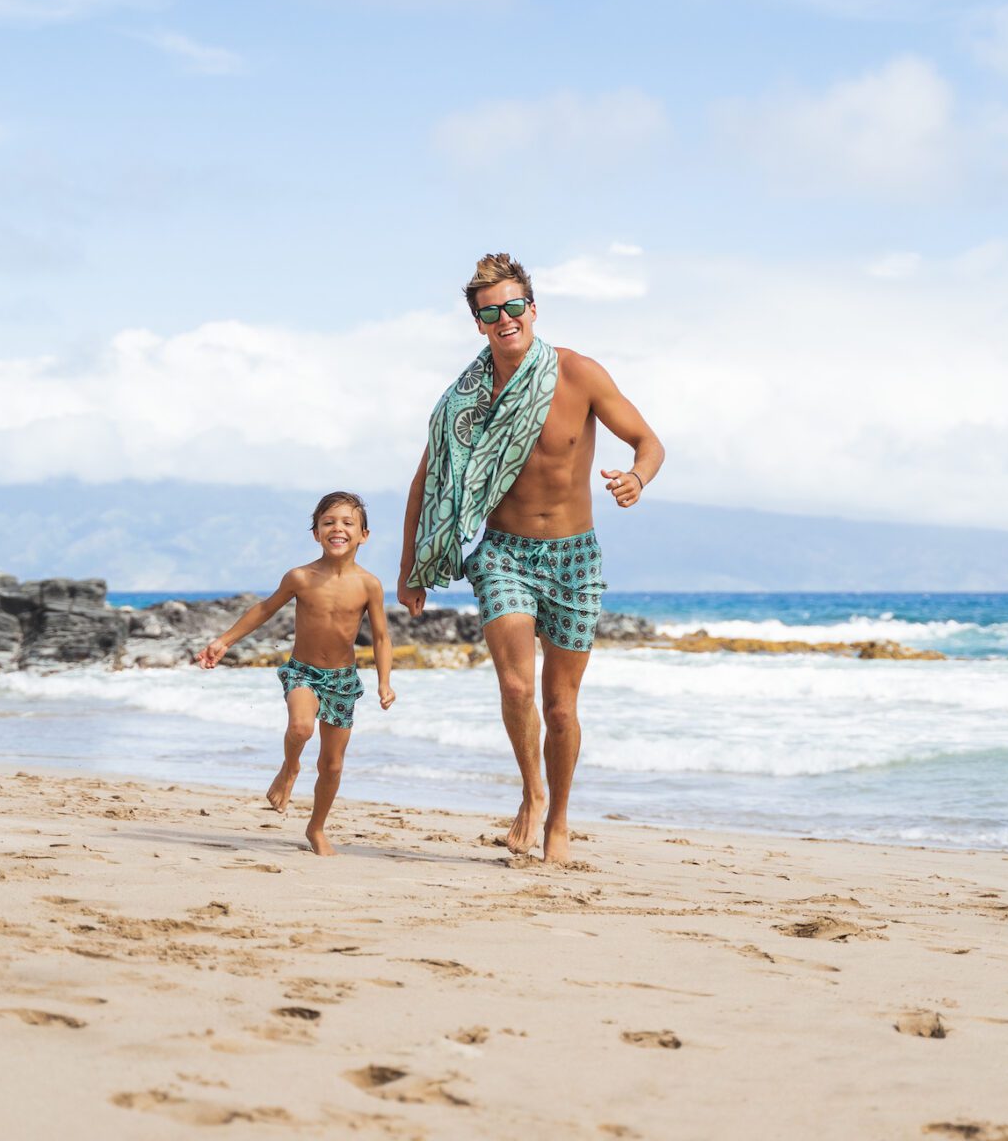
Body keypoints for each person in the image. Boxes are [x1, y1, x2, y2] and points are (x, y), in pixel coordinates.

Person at [397, 253, 664, 863]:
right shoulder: (464, 401)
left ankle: (560, 821)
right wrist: (412, 565)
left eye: (514, 306)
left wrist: (637, 480)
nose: (505, 319)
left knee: (561, 706)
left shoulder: (577, 373)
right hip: (504, 554)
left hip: (575, 556)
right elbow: (427, 481)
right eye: (491, 312)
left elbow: (649, 442)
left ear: (533, 310)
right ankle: (532, 794)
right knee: (517, 684)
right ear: (479, 324)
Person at [197, 491, 395, 856]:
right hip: (303, 671)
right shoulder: (301, 577)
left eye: (348, 523)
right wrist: (224, 641)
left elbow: (381, 637)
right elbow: (264, 609)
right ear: (316, 533)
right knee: (301, 727)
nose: (338, 529)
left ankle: (316, 828)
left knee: (332, 764)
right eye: (328, 523)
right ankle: (289, 768)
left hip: (342, 680)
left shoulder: (370, 585)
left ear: (364, 535)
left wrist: (384, 681)